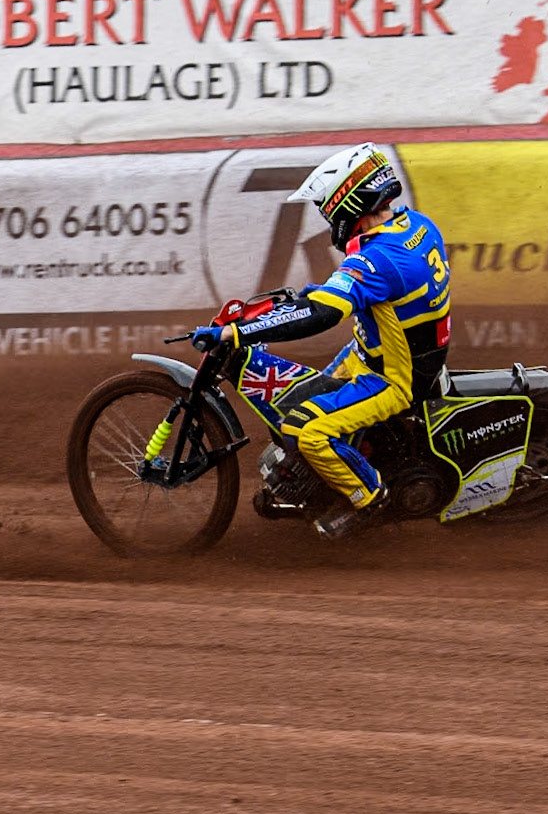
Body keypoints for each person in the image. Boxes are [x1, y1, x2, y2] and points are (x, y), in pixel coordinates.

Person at [189, 143, 452, 540]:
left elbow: (323, 314)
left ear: (351, 202)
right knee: (304, 393)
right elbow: (342, 293)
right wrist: (308, 296)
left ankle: (369, 500)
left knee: (305, 429)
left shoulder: (377, 259)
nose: (327, 217)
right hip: (381, 353)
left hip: (394, 379)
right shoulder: (415, 225)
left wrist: (237, 331)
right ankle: (347, 465)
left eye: (328, 208)